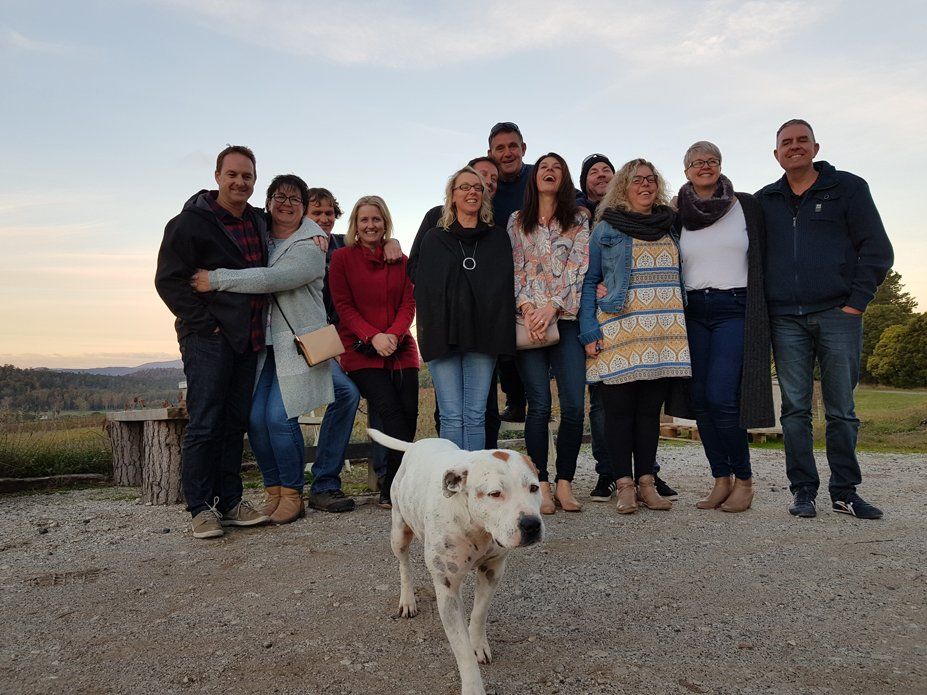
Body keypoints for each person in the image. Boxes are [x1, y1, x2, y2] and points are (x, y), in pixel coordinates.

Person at [757, 119, 893, 520]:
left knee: (841, 409)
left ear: (816, 147)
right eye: (786, 142)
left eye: (802, 140)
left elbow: (876, 248)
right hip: (785, 319)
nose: (794, 147)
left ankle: (845, 491)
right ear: (776, 153)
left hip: (838, 314)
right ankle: (803, 491)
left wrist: (857, 303)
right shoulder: (766, 200)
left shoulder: (848, 188)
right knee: (795, 410)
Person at [191, 174, 333, 523]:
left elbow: (272, 279)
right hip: (263, 344)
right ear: (268, 203)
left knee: (277, 418)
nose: (286, 204)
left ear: (304, 207)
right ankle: (272, 491)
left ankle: (292, 492)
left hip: (297, 345)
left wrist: (216, 279)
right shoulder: (261, 235)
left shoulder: (310, 245)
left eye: (295, 199)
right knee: (254, 419)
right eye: (279, 197)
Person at [155, 145, 270, 538]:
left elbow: (297, 225)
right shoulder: (190, 223)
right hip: (208, 339)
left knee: (233, 422)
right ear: (218, 175)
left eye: (248, 176)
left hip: (249, 337)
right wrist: (207, 325)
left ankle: (231, 501)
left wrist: (326, 239)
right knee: (205, 422)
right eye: (233, 174)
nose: (240, 182)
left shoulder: (257, 220)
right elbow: (168, 280)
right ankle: (200, 508)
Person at [578, 158, 691, 514]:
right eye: (637, 180)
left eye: (651, 179)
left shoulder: (670, 225)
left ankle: (647, 481)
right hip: (620, 330)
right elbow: (589, 281)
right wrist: (588, 329)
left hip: (662, 332)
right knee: (618, 413)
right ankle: (623, 484)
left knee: (648, 413)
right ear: (623, 186)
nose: (645, 185)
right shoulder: (607, 228)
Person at [677, 142, 775, 513]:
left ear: (720, 166)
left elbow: (766, 255)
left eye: (712, 160)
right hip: (694, 309)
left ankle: (745, 480)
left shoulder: (745, 205)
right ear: (686, 171)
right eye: (697, 162)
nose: (705, 166)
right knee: (700, 399)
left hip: (735, 306)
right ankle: (721, 478)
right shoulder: (677, 213)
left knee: (722, 395)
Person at [304, 188, 399, 512]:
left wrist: (391, 242)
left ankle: (389, 480)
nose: (323, 219)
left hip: (350, 340)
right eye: (316, 213)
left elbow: (371, 236)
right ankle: (325, 483)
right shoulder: (295, 245)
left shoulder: (341, 245)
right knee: (345, 393)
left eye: (329, 213)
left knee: (383, 387)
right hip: (313, 342)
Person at [409, 166, 515, 450]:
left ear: (484, 196)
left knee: (475, 416)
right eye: (464, 187)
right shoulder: (434, 237)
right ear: (452, 196)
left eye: (477, 188)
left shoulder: (497, 238)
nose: (471, 192)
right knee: (452, 416)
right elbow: (424, 286)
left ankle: (475, 487)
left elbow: (504, 289)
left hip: (484, 335)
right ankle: (454, 484)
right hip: (443, 333)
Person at [509, 152, 590, 514]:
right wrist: (529, 309)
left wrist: (551, 307)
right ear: (534, 177)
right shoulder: (516, 221)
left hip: (566, 320)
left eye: (557, 168)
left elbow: (579, 267)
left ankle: (565, 482)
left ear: (565, 178)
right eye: (544, 167)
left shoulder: (578, 219)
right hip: (528, 325)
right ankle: (540, 484)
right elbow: (513, 271)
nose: (550, 172)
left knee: (573, 404)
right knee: (538, 406)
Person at [328, 196, 419, 508]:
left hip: (400, 347)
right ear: (355, 224)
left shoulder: (401, 260)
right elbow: (343, 306)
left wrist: (393, 334)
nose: (370, 225)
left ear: (385, 223)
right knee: (390, 411)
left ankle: (397, 483)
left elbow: (409, 304)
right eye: (364, 220)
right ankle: (394, 488)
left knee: (409, 414)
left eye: (376, 220)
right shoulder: (341, 259)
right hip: (360, 350)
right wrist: (373, 336)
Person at [575, 154, 622, 502]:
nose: (601, 175)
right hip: (590, 311)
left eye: (607, 170)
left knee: (637, 396)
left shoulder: (629, 212)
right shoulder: (577, 215)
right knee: (601, 400)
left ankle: (646, 472)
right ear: (584, 181)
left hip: (628, 311)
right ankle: (607, 473)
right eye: (594, 171)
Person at [488, 122, 531, 423]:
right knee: (502, 345)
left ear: (523, 149)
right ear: (490, 153)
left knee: (532, 342)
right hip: (496, 275)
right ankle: (514, 400)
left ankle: (531, 399)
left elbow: (573, 199)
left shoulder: (535, 178)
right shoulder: (485, 186)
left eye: (512, 146)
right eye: (500, 148)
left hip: (536, 273)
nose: (507, 153)